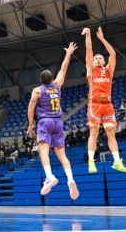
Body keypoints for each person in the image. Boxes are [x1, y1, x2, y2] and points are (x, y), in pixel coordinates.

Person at [26, 42, 79, 199]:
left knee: (43, 151)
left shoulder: (37, 90)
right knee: (62, 155)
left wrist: (30, 124)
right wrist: (68, 53)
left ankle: (50, 176)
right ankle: (70, 179)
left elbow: (30, 109)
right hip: (58, 123)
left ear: (41, 80)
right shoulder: (57, 85)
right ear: (51, 78)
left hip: (45, 121)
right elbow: (63, 69)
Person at [82, 26, 126, 173]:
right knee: (94, 132)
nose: (97, 59)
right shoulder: (91, 70)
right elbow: (89, 50)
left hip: (107, 105)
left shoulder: (108, 70)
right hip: (94, 105)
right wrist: (88, 34)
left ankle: (116, 161)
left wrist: (101, 38)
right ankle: (91, 162)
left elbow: (113, 54)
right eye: (96, 58)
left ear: (103, 61)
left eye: (100, 57)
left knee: (110, 132)